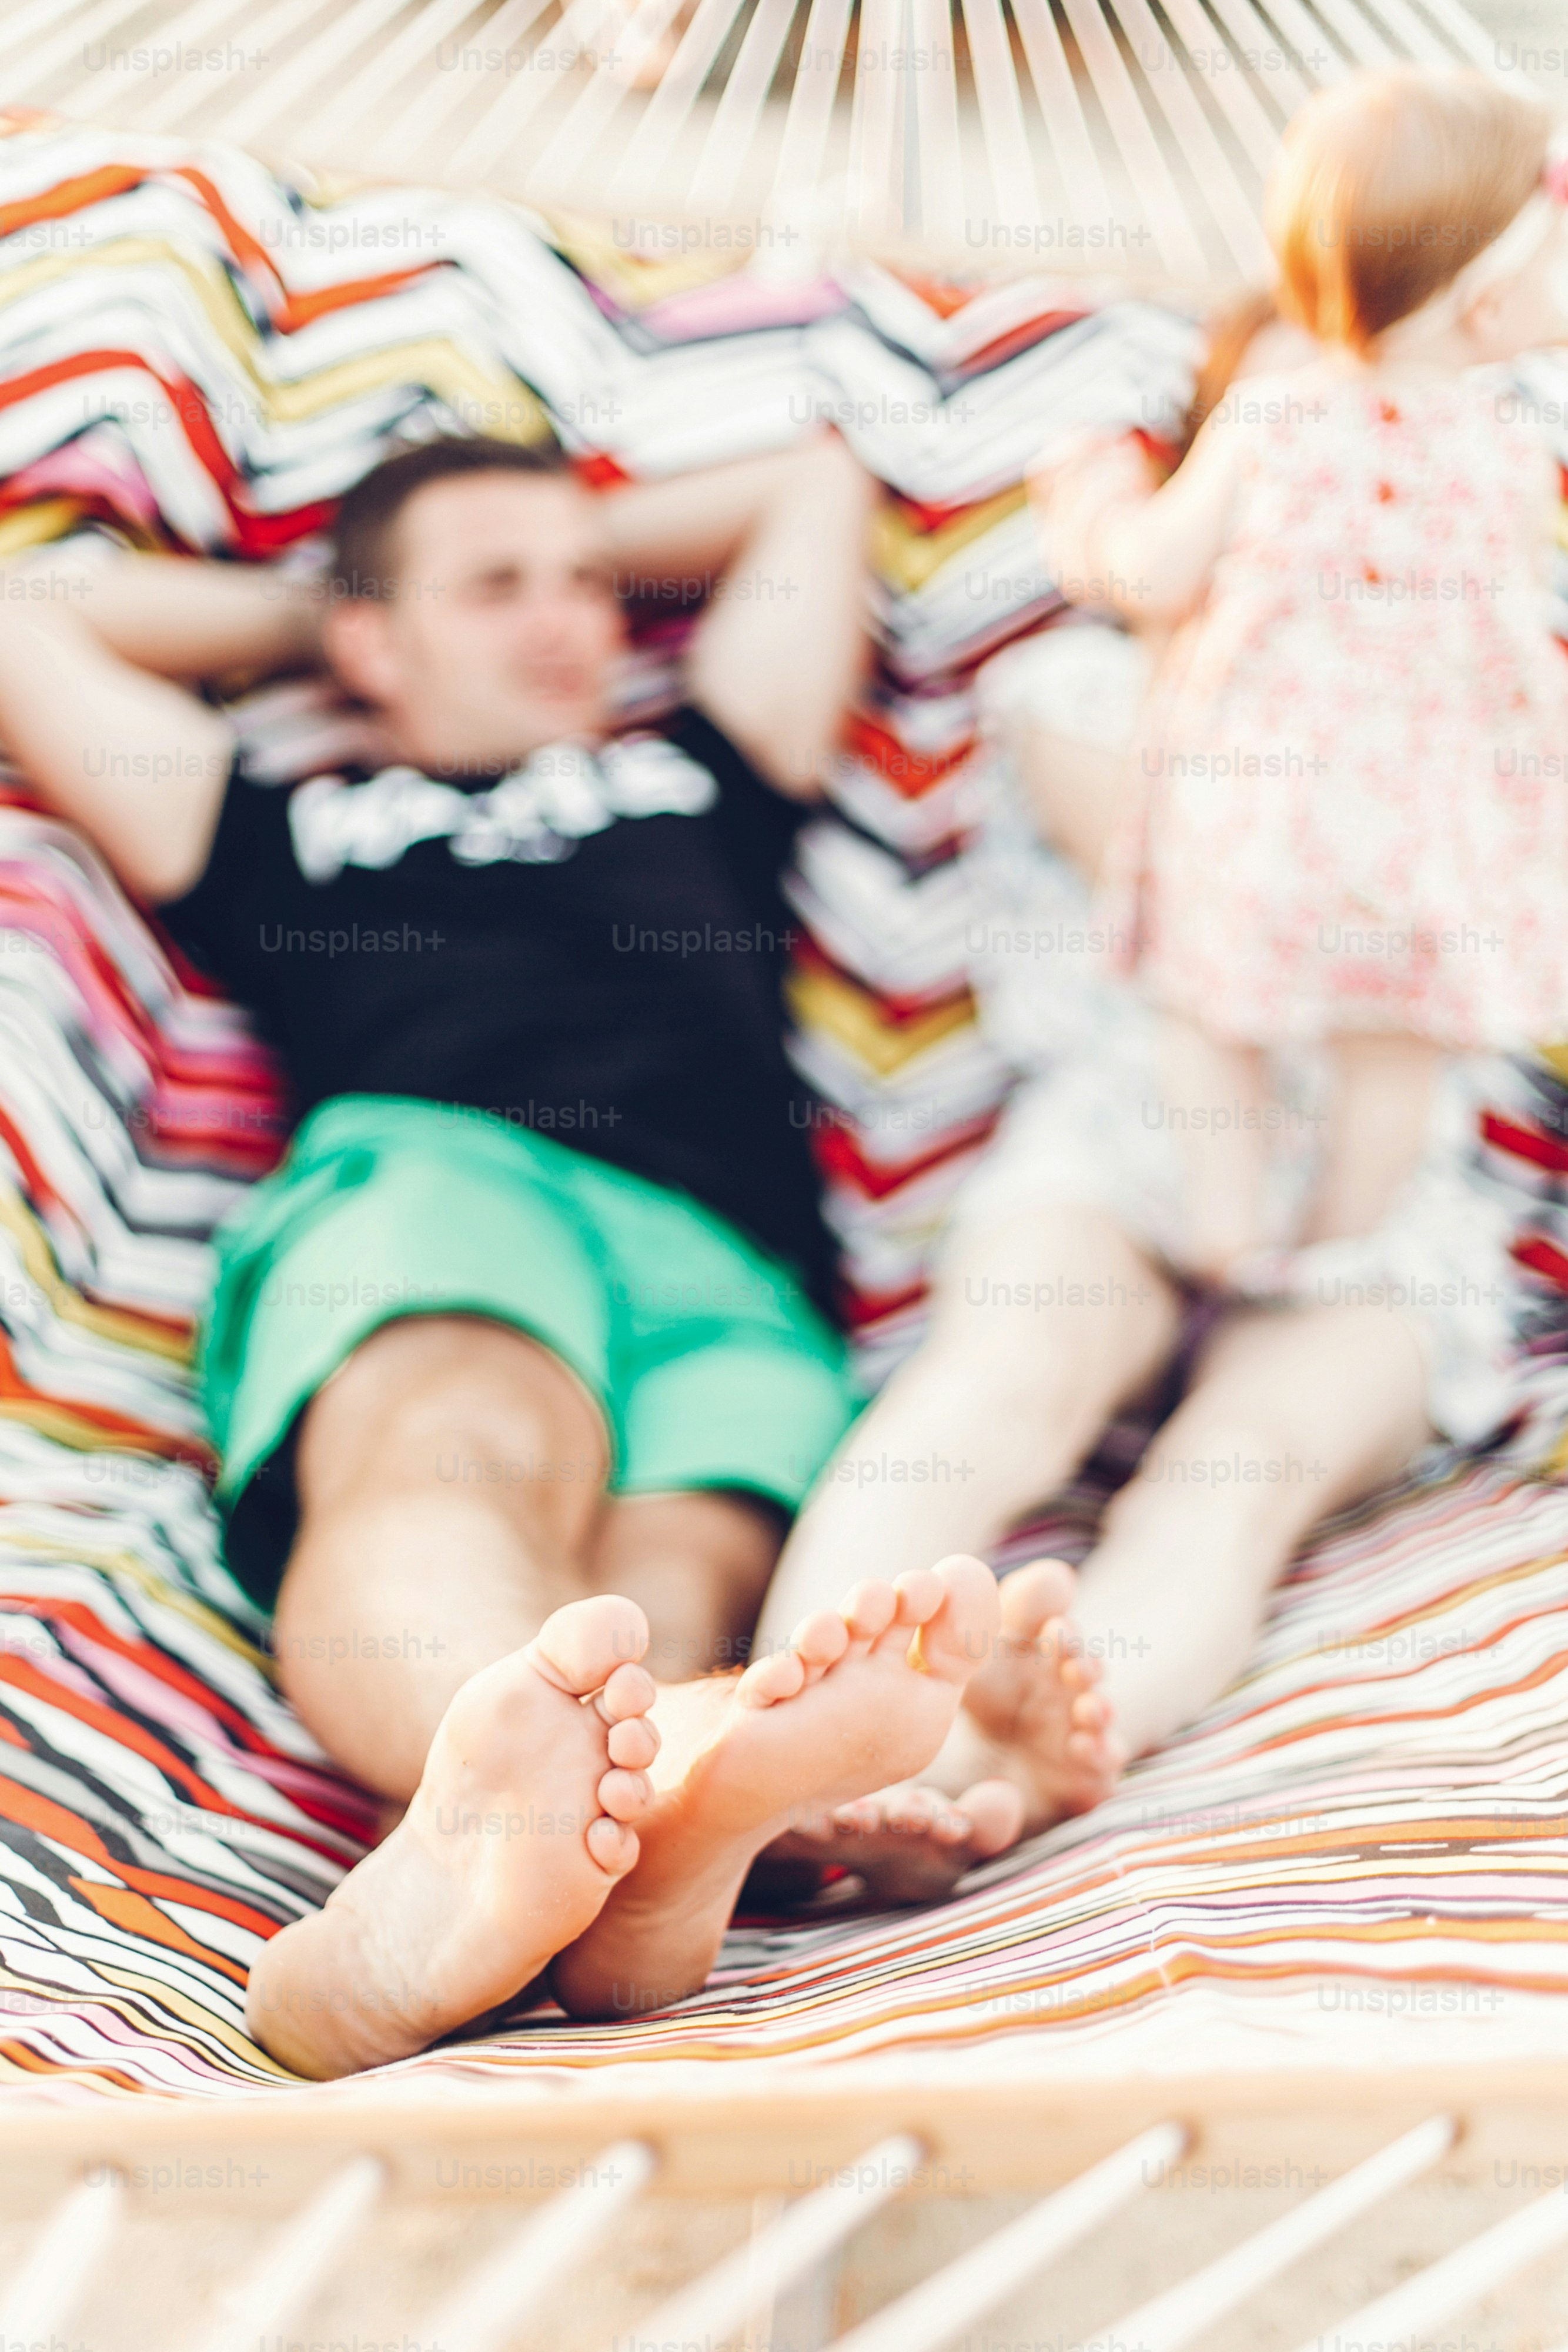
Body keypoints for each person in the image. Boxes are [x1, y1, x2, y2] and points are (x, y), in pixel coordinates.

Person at [0, 429, 1007, 2074]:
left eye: (593, 586)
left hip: (737, 1273)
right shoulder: (289, 826)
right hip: (441, 1174)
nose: (566, 620)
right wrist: (334, 598)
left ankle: (630, 1851)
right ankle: (505, 1831)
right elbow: (23, 610)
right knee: (451, 1450)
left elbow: (812, 483)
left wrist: (503, 560)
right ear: (369, 646)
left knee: (667, 1583)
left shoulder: (706, 769)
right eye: (498, 589)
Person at [745, 245, 1553, 1896]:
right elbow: (1226, 909)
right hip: (1123, 1146)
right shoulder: (1083, 689)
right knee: (990, 1394)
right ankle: (792, 1736)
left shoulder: (1479, 706)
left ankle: (1014, 1771)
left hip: (1380, 1209)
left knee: (1223, 1490)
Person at [1045, 69, 1568, 1283]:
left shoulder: (1274, 416)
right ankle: (1336, 1246)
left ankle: (1225, 1225)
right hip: (1421, 817)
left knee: (1206, 999)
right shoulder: (1506, 446)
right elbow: (1509, 627)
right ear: (1488, 304)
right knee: (1396, 1041)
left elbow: (1152, 572)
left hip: (1260, 798)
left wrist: (1090, 507)